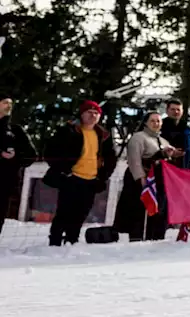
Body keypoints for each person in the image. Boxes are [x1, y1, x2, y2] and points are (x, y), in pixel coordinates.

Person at [45, 101, 116, 246]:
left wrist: (102, 177)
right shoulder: (69, 130)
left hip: (91, 180)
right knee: (63, 212)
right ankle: (55, 241)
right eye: (89, 112)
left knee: (81, 213)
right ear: (82, 114)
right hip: (71, 178)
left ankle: (73, 239)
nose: (93, 115)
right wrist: (63, 170)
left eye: (96, 113)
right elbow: (50, 151)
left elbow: (111, 159)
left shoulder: (104, 135)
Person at [114, 112, 181, 241]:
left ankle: (155, 237)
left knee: (158, 209)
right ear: (145, 122)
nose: (156, 124)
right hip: (141, 178)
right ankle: (137, 238)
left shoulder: (163, 140)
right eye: (153, 121)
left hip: (158, 179)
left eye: (158, 121)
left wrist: (173, 154)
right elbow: (134, 159)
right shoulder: (138, 137)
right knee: (138, 209)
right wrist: (140, 177)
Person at [0, 95, 37, 235]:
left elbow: (31, 155)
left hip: (5, 183)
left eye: (10, 103)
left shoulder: (16, 130)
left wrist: (14, 158)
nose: (8, 106)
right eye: (4, 102)